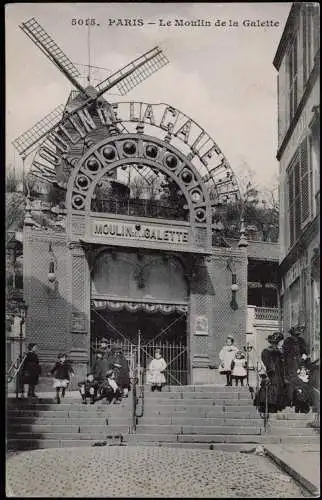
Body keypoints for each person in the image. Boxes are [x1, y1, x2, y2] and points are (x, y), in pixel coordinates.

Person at [255, 332, 287, 414]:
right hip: (272, 374)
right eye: (281, 341)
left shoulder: (280, 351)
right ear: (278, 341)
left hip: (278, 374)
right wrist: (270, 372)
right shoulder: (268, 351)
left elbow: (282, 364)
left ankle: (273, 408)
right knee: (271, 389)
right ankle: (270, 408)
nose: (282, 342)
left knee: (276, 389)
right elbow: (267, 363)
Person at [283, 325, 309, 406]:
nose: (296, 335)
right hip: (291, 364)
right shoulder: (288, 341)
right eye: (295, 333)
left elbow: (304, 352)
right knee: (292, 381)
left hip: (299, 364)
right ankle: (291, 400)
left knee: (300, 380)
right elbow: (285, 353)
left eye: (297, 333)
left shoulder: (301, 341)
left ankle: (300, 399)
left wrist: (303, 358)